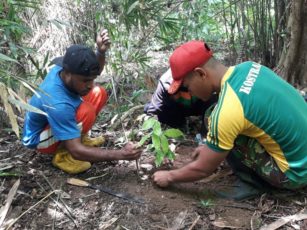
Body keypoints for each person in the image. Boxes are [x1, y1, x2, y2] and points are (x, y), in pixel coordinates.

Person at [152, 40, 307, 198]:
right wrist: (210, 146)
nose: (189, 93)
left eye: (186, 86)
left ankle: (253, 184)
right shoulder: (250, 67)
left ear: (201, 73)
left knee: (216, 120)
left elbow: (203, 169)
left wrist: (169, 176)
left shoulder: (229, 109)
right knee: (216, 118)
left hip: (296, 174)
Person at [22, 29, 141, 174]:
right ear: (67, 74)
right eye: (85, 81)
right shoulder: (58, 103)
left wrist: (100, 52)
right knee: (86, 111)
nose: (90, 84)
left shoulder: (66, 68)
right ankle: (63, 155)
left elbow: (89, 74)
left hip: (54, 121)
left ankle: (77, 138)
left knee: (98, 92)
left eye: (91, 79)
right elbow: (76, 151)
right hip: (39, 140)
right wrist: (121, 154)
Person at [144, 68, 217, 134]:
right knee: (149, 109)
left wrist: (204, 133)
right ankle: (180, 125)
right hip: (177, 109)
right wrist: (152, 133)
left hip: (199, 106)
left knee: (213, 106)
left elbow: (214, 104)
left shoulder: (204, 79)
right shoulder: (165, 83)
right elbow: (154, 109)